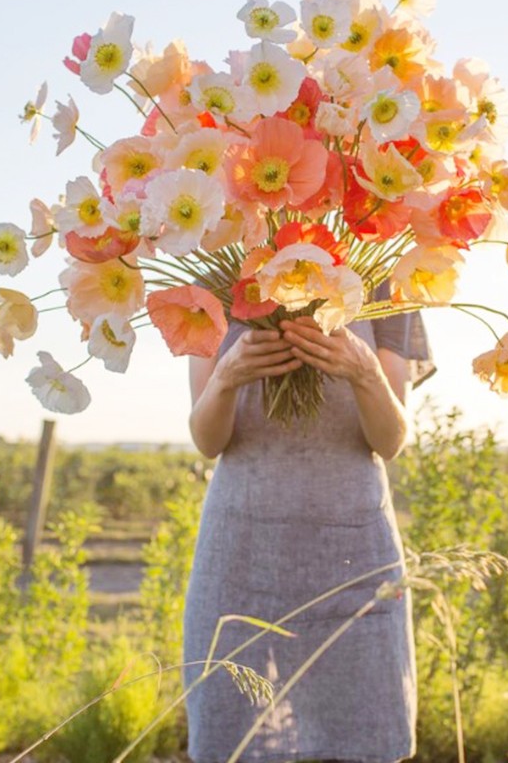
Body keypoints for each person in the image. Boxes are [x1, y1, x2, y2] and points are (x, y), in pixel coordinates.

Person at [181, 280, 436, 763]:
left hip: (353, 558)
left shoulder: (383, 272)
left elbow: (390, 440)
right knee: (231, 740)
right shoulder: (216, 269)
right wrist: (227, 376)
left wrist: (364, 371)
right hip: (240, 556)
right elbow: (207, 439)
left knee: (363, 741)